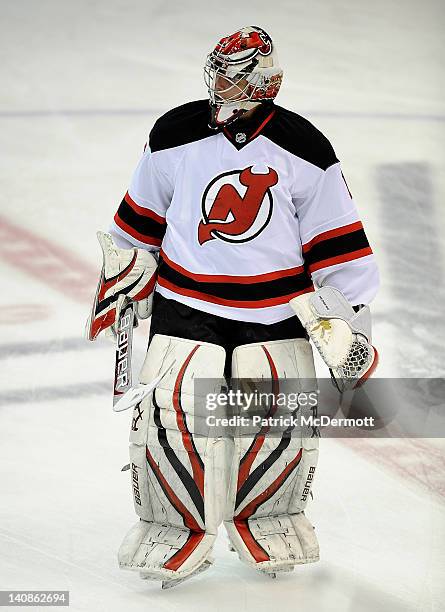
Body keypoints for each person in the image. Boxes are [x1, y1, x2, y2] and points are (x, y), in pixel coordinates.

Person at [88, 25, 379, 588]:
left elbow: (336, 243)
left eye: (235, 75)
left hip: (274, 312)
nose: (221, 84)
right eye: (217, 71)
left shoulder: (305, 148)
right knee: (170, 417)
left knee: (273, 422)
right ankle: (173, 522)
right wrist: (123, 274)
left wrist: (346, 321)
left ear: (266, 81)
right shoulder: (173, 132)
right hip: (184, 302)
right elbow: (140, 219)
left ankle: (270, 515)